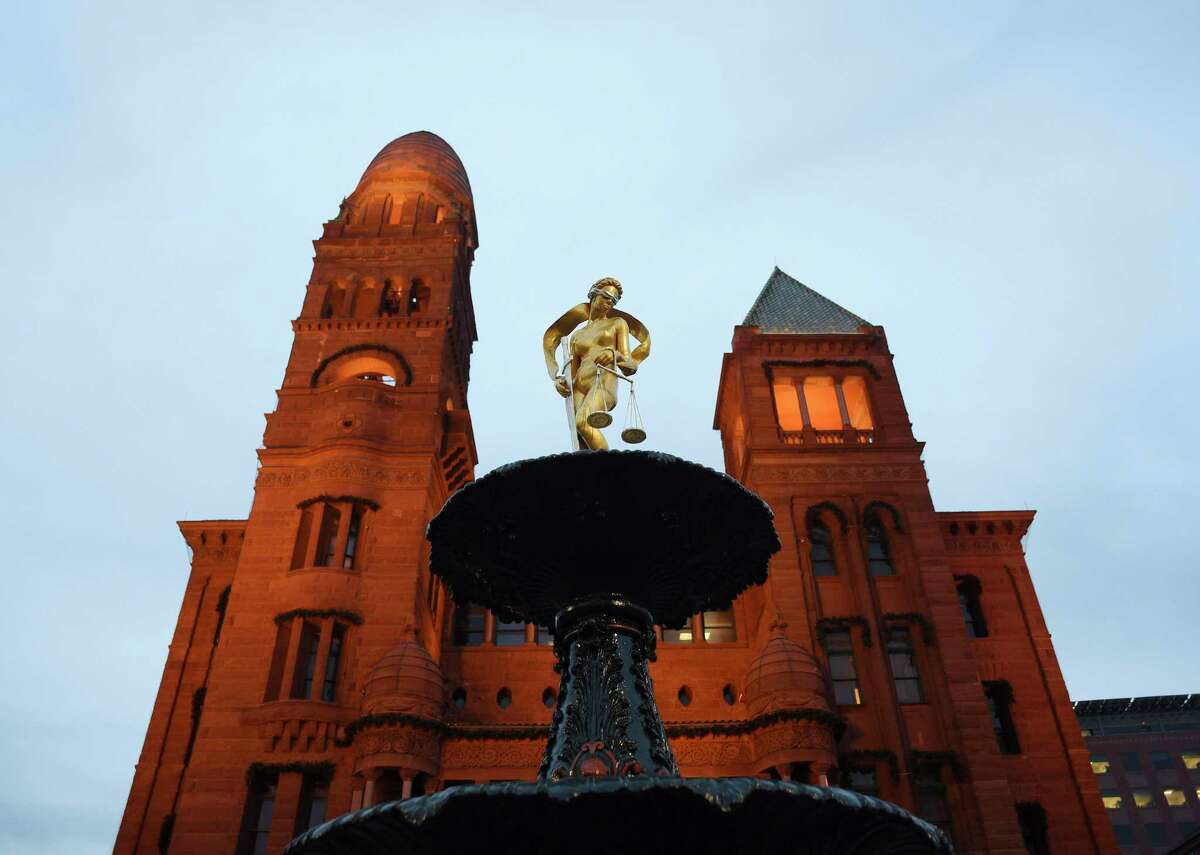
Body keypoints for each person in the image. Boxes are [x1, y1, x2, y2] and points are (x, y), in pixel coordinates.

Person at [542, 277, 650, 450]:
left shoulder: (617, 323)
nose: (611, 302)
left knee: (583, 422)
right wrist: (560, 381)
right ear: (593, 295)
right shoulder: (576, 336)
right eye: (607, 297)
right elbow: (572, 371)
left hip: (604, 382)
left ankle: (607, 467)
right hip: (579, 387)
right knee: (580, 438)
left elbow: (630, 365)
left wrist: (614, 354)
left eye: (614, 300)